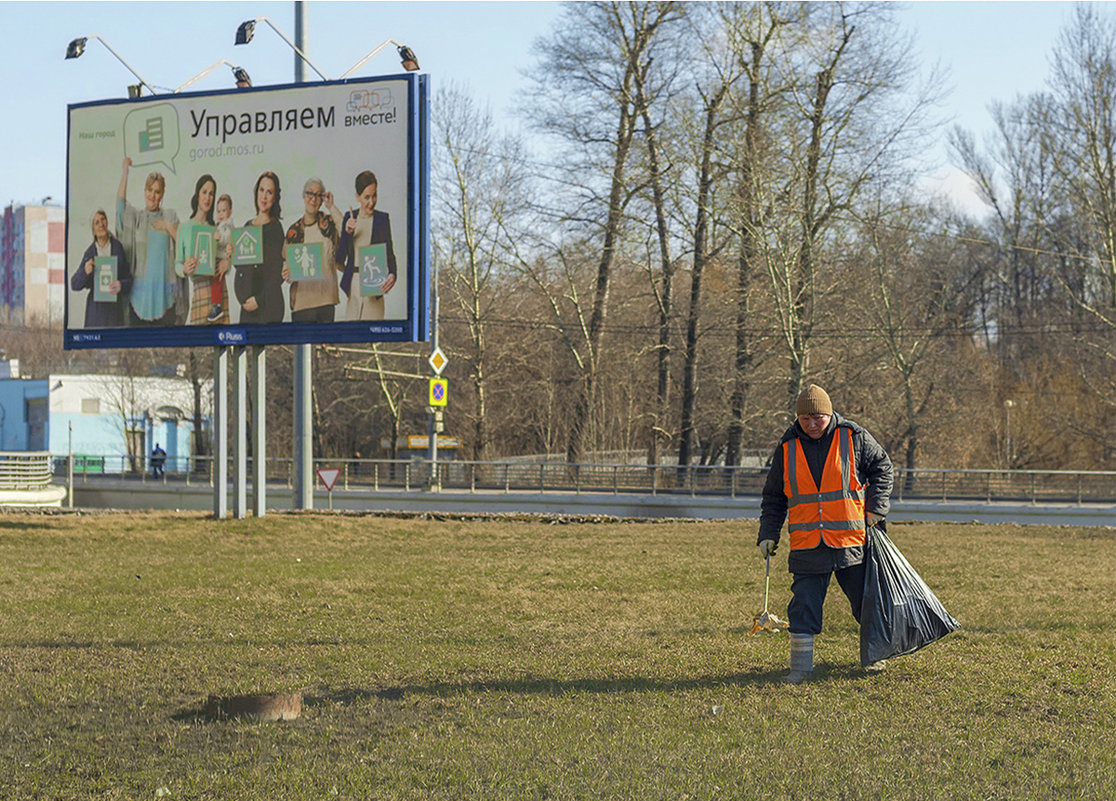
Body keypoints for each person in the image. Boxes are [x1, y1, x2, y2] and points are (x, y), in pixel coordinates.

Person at [756, 384, 894, 683]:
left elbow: (883, 468)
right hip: (807, 544)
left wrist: (876, 509)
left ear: (829, 413)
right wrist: (768, 533)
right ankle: (801, 668)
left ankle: (875, 657)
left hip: (852, 541)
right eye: (805, 419)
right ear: (797, 419)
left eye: (818, 417)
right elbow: (774, 496)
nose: (812, 424)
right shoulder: (786, 446)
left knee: (866, 603)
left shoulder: (854, 436)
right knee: (803, 605)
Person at [116, 157, 183, 327]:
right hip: (139, 299)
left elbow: (184, 243)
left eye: (157, 191)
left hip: (164, 298)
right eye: (149, 189)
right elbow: (120, 207)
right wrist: (125, 173)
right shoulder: (137, 217)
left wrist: (168, 226)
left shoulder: (170, 217)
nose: (152, 195)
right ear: (144, 191)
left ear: (162, 194)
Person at [337, 170, 397, 321]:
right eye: (366, 197)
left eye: (374, 195)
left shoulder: (382, 219)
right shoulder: (348, 218)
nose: (371, 202)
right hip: (354, 285)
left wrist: (393, 274)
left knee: (373, 331)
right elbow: (339, 259)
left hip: (374, 285)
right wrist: (347, 232)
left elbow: (389, 252)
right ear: (357, 197)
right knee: (353, 333)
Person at [282, 178, 342, 323]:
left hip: (326, 301)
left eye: (318, 195)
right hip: (302, 303)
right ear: (304, 196)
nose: (314, 199)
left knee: (324, 345)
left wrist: (331, 206)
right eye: (310, 194)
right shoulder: (293, 231)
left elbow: (347, 230)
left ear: (322, 199)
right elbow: (286, 267)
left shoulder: (330, 223)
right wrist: (287, 273)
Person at [174, 174, 230, 325]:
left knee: (224, 344)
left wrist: (227, 263)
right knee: (198, 346)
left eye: (211, 194)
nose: (208, 198)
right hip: (199, 292)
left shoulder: (217, 228)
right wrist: (184, 269)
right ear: (197, 194)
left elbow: (228, 253)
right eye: (204, 192)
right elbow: (177, 265)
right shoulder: (184, 228)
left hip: (219, 295)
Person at [234, 171, 285, 324]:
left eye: (269, 192)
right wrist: (232, 255)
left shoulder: (275, 228)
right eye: (261, 190)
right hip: (247, 307)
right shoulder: (247, 226)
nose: (264, 196)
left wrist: (259, 300)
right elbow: (243, 267)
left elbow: (277, 273)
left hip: (267, 306)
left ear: (274, 198)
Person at [71, 209, 132, 328]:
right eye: (97, 222)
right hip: (96, 313)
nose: (101, 224)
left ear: (107, 222)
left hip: (114, 312)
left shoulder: (117, 248)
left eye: (103, 220)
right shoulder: (90, 253)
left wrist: (121, 285)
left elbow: (129, 279)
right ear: (93, 230)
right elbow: (74, 285)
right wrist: (85, 272)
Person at [212, 194, 234, 322]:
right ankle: (216, 305)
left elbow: (228, 238)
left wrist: (219, 237)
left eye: (224, 211)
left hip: (221, 258)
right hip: (217, 257)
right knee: (215, 280)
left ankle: (217, 306)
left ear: (230, 212)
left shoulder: (227, 226)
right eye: (218, 211)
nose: (220, 214)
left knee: (216, 280)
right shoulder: (219, 225)